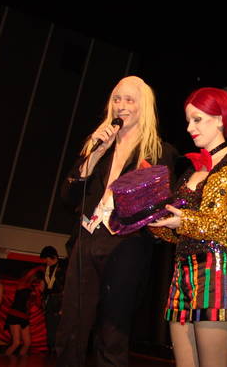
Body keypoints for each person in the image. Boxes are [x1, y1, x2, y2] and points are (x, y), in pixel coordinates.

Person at [55, 75, 177, 367]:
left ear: (143, 106)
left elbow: (158, 208)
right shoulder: (98, 144)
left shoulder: (159, 152)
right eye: (116, 99)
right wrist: (95, 153)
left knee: (113, 331)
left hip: (126, 244)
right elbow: (67, 197)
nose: (121, 106)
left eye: (129, 100)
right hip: (87, 237)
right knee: (71, 325)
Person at [149, 87, 227, 367]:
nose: (189, 128)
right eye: (188, 120)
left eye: (197, 119)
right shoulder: (190, 172)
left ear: (220, 119)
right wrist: (150, 216)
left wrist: (185, 221)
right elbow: (173, 232)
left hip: (215, 269)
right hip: (182, 271)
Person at [5, 269, 44, 356]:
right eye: (35, 277)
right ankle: (4, 360)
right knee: (16, 343)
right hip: (15, 315)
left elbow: (38, 304)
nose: (35, 279)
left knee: (27, 343)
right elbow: (29, 274)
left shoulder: (33, 289)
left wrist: (40, 292)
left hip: (24, 317)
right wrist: (41, 267)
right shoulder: (22, 284)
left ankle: (21, 361)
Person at [39, 246, 64, 352]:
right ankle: (51, 349)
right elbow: (43, 285)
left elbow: (67, 287)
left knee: (59, 326)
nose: (46, 261)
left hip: (60, 300)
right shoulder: (46, 269)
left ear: (53, 257)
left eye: (47, 259)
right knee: (49, 326)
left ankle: (59, 350)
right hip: (49, 300)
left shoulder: (63, 267)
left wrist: (63, 306)